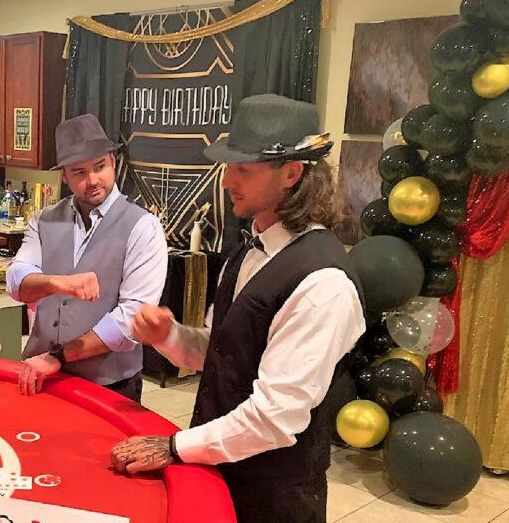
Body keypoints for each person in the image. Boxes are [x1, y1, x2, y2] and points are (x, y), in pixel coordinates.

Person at [110, 94, 365, 523]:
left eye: (243, 169)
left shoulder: (324, 285)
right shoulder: (247, 252)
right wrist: (168, 337)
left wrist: (174, 447)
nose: (227, 181)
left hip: (273, 496)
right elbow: (224, 352)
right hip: (219, 474)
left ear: (291, 173)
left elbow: (274, 418)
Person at [6, 114, 167, 402]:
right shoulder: (44, 220)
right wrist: (56, 283)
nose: (92, 180)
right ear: (64, 176)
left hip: (109, 385)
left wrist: (59, 357)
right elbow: (17, 282)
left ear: (113, 162)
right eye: (79, 172)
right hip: (43, 379)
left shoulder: (143, 227)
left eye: (100, 167)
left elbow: (131, 320)